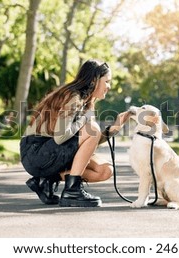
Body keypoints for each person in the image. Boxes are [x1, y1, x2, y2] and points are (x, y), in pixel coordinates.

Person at [20, 59, 131, 207]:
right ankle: (72, 191)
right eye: (107, 81)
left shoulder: (86, 102)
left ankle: (45, 180)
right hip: (35, 152)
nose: (109, 86)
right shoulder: (73, 96)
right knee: (92, 129)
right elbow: (61, 137)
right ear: (94, 80)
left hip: (50, 151)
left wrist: (116, 127)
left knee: (105, 170)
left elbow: (88, 140)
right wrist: (85, 120)